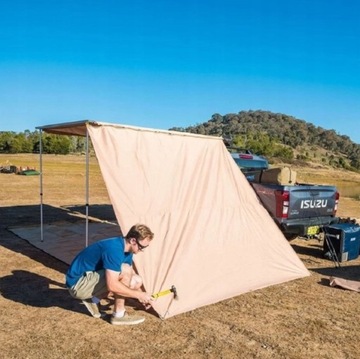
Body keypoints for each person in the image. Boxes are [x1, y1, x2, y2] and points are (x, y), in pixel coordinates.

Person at [65, 223, 154, 325]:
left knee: (136, 281)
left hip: (89, 278)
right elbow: (112, 285)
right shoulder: (114, 249)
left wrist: (141, 296)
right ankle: (119, 315)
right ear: (133, 240)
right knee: (124, 270)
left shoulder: (127, 249)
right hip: (78, 284)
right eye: (142, 247)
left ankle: (93, 299)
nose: (142, 250)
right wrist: (138, 294)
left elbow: (130, 275)